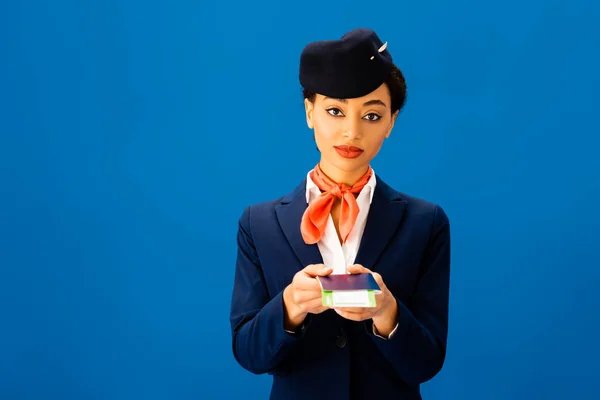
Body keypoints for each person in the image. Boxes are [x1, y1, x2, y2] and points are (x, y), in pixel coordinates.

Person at [229, 27, 451, 400]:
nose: (351, 132)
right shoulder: (258, 224)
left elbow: (426, 363)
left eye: (372, 115)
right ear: (309, 112)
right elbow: (249, 354)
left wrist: (386, 311)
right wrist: (291, 305)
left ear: (392, 122)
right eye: (335, 111)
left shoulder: (425, 222)